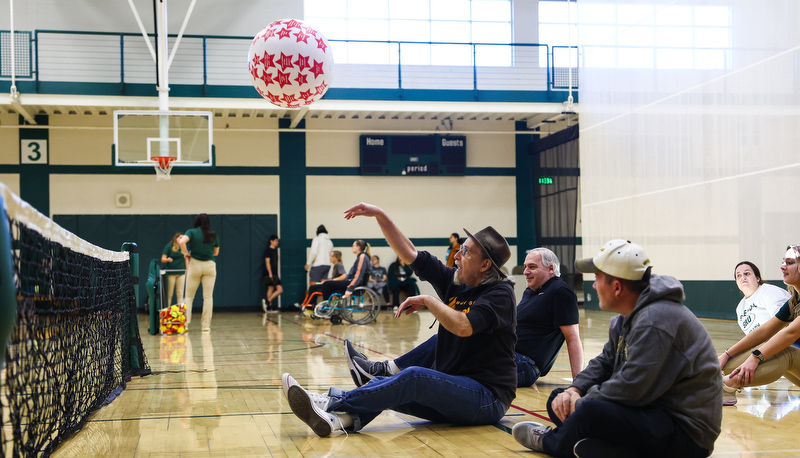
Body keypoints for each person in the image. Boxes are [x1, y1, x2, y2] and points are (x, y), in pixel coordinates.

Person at [281, 202, 516, 438]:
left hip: (487, 398)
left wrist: (429, 301)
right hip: (455, 390)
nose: (456, 255)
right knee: (388, 387)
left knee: (415, 377)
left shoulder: (500, 293)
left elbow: (464, 326)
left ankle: (331, 402)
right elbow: (410, 254)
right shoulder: (456, 281)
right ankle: (337, 420)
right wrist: (380, 216)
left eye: (465, 252)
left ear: (485, 265)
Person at [513, 239, 721, 458]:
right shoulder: (627, 316)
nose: (593, 285)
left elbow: (633, 387)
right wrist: (575, 390)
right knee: (559, 397)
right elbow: (604, 362)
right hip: (651, 412)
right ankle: (606, 448)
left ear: (617, 286)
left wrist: (583, 402)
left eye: (596, 278)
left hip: (686, 433)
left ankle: (551, 442)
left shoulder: (656, 320)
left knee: (588, 410)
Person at [345, 247, 583, 388]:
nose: (527, 271)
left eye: (532, 267)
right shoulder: (533, 292)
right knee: (451, 342)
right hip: (509, 355)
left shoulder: (559, 292)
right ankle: (384, 377)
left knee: (452, 344)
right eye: (526, 267)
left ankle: (384, 371)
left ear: (551, 269)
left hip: (523, 365)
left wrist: (578, 384)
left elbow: (572, 338)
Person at [719, 245, 800, 397]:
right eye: (783, 262)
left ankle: (726, 388)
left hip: (792, 353)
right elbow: (764, 331)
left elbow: (790, 334)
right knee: (728, 365)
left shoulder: (769, 292)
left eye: (789, 263)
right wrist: (726, 355)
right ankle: (710, 380)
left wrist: (756, 357)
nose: (782, 267)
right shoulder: (794, 300)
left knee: (783, 350)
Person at [178, 214, 220, 332]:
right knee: (207, 297)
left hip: (195, 265)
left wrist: (185, 253)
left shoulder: (191, 232)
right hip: (210, 266)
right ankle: (206, 326)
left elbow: (182, 242)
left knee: (189, 297)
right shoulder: (213, 234)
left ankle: (185, 324)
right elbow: (216, 253)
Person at [733, 261, 790, 336]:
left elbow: (786, 324)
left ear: (757, 278)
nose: (743, 277)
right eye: (739, 275)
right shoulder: (740, 308)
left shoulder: (769, 292)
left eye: (747, 273)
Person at [160, 232, 186, 306]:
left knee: (180, 293)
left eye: (183, 238)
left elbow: (186, 259)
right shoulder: (169, 247)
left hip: (181, 273)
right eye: (180, 237)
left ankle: (180, 313)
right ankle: (167, 311)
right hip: (171, 273)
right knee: (169, 294)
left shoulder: (183, 247)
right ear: (176, 238)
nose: (182, 239)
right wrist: (167, 259)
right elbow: (163, 258)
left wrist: (188, 270)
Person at [262, 235, 283, 313]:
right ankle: (268, 304)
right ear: (271, 241)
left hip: (275, 273)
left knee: (272, 289)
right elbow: (267, 262)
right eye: (276, 241)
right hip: (270, 273)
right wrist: (270, 273)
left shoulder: (275, 250)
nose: (277, 242)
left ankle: (268, 304)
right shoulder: (268, 251)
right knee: (278, 289)